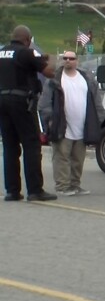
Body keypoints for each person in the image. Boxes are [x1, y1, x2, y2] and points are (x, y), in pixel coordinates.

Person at [0, 25, 57, 202]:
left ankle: (12, 191)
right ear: (27, 39)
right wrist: (50, 60)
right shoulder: (27, 52)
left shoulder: (2, 52)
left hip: (2, 101)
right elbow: (49, 72)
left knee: (10, 147)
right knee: (32, 144)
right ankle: (35, 190)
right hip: (21, 102)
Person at [38, 51, 105, 196]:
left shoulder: (86, 79)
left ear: (77, 61)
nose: (68, 60)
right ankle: (62, 186)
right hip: (62, 125)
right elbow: (44, 103)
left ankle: (75, 185)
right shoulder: (54, 79)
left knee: (78, 158)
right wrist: (49, 120)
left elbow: (96, 101)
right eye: (65, 58)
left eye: (71, 58)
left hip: (82, 126)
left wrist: (99, 119)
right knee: (61, 156)